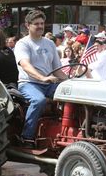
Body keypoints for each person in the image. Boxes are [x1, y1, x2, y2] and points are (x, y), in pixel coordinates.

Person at [14, 10, 67, 147]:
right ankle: (27, 138)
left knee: (71, 95)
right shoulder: (23, 44)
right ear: (27, 25)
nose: (40, 26)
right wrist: (42, 78)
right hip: (29, 83)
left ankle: (66, 132)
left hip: (48, 84)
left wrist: (71, 82)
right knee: (39, 100)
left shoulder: (49, 44)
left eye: (42, 23)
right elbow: (25, 65)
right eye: (36, 23)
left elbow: (58, 70)